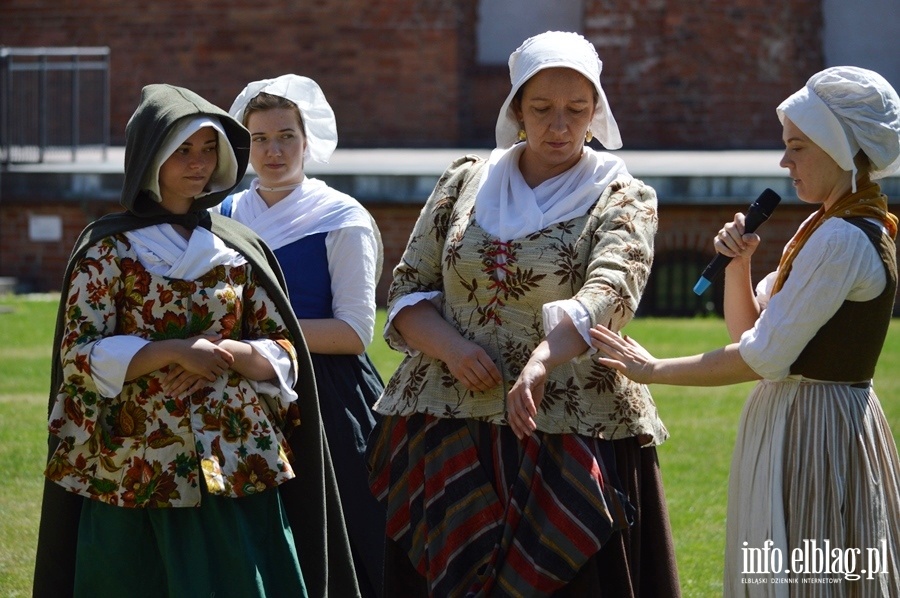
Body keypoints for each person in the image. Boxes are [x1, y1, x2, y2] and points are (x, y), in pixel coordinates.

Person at [366, 31, 681, 597]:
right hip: (450, 421)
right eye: (541, 109)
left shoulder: (622, 196)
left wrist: (541, 360)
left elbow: (610, 292)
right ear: (515, 110)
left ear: (596, 113)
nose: (558, 125)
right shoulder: (465, 180)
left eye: (575, 110)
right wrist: (454, 350)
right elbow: (410, 289)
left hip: (568, 421)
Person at [31, 83, 358, 597]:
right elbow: (79, 356)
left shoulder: (236, 246)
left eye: (209, 149)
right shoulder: (109, 248)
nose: (199, 162)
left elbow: (285, 346)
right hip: (133, 464)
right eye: (183, 149)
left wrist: (231, 354)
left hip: (234, 457)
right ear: (150, 155)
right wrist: (172, 352)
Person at [590, 66, 900, 595]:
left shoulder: (842, 238)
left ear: (839, 149)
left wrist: (653, 369)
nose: (785, 161)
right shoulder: (830, 224)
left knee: (807, 575)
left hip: (817, 429)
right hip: (805, 418)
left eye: (798, 147)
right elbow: (749, 330)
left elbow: (760, 357)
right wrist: (738, 266)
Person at [218, 73, 387, 598]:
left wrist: (265, 345)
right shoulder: (222, 215)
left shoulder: (341, 218)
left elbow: (356, 331)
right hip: (234, 392)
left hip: (323, 396)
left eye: (286, 136)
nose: (274, 151)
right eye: (261, 138)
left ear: (307, 138)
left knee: (335, 534)